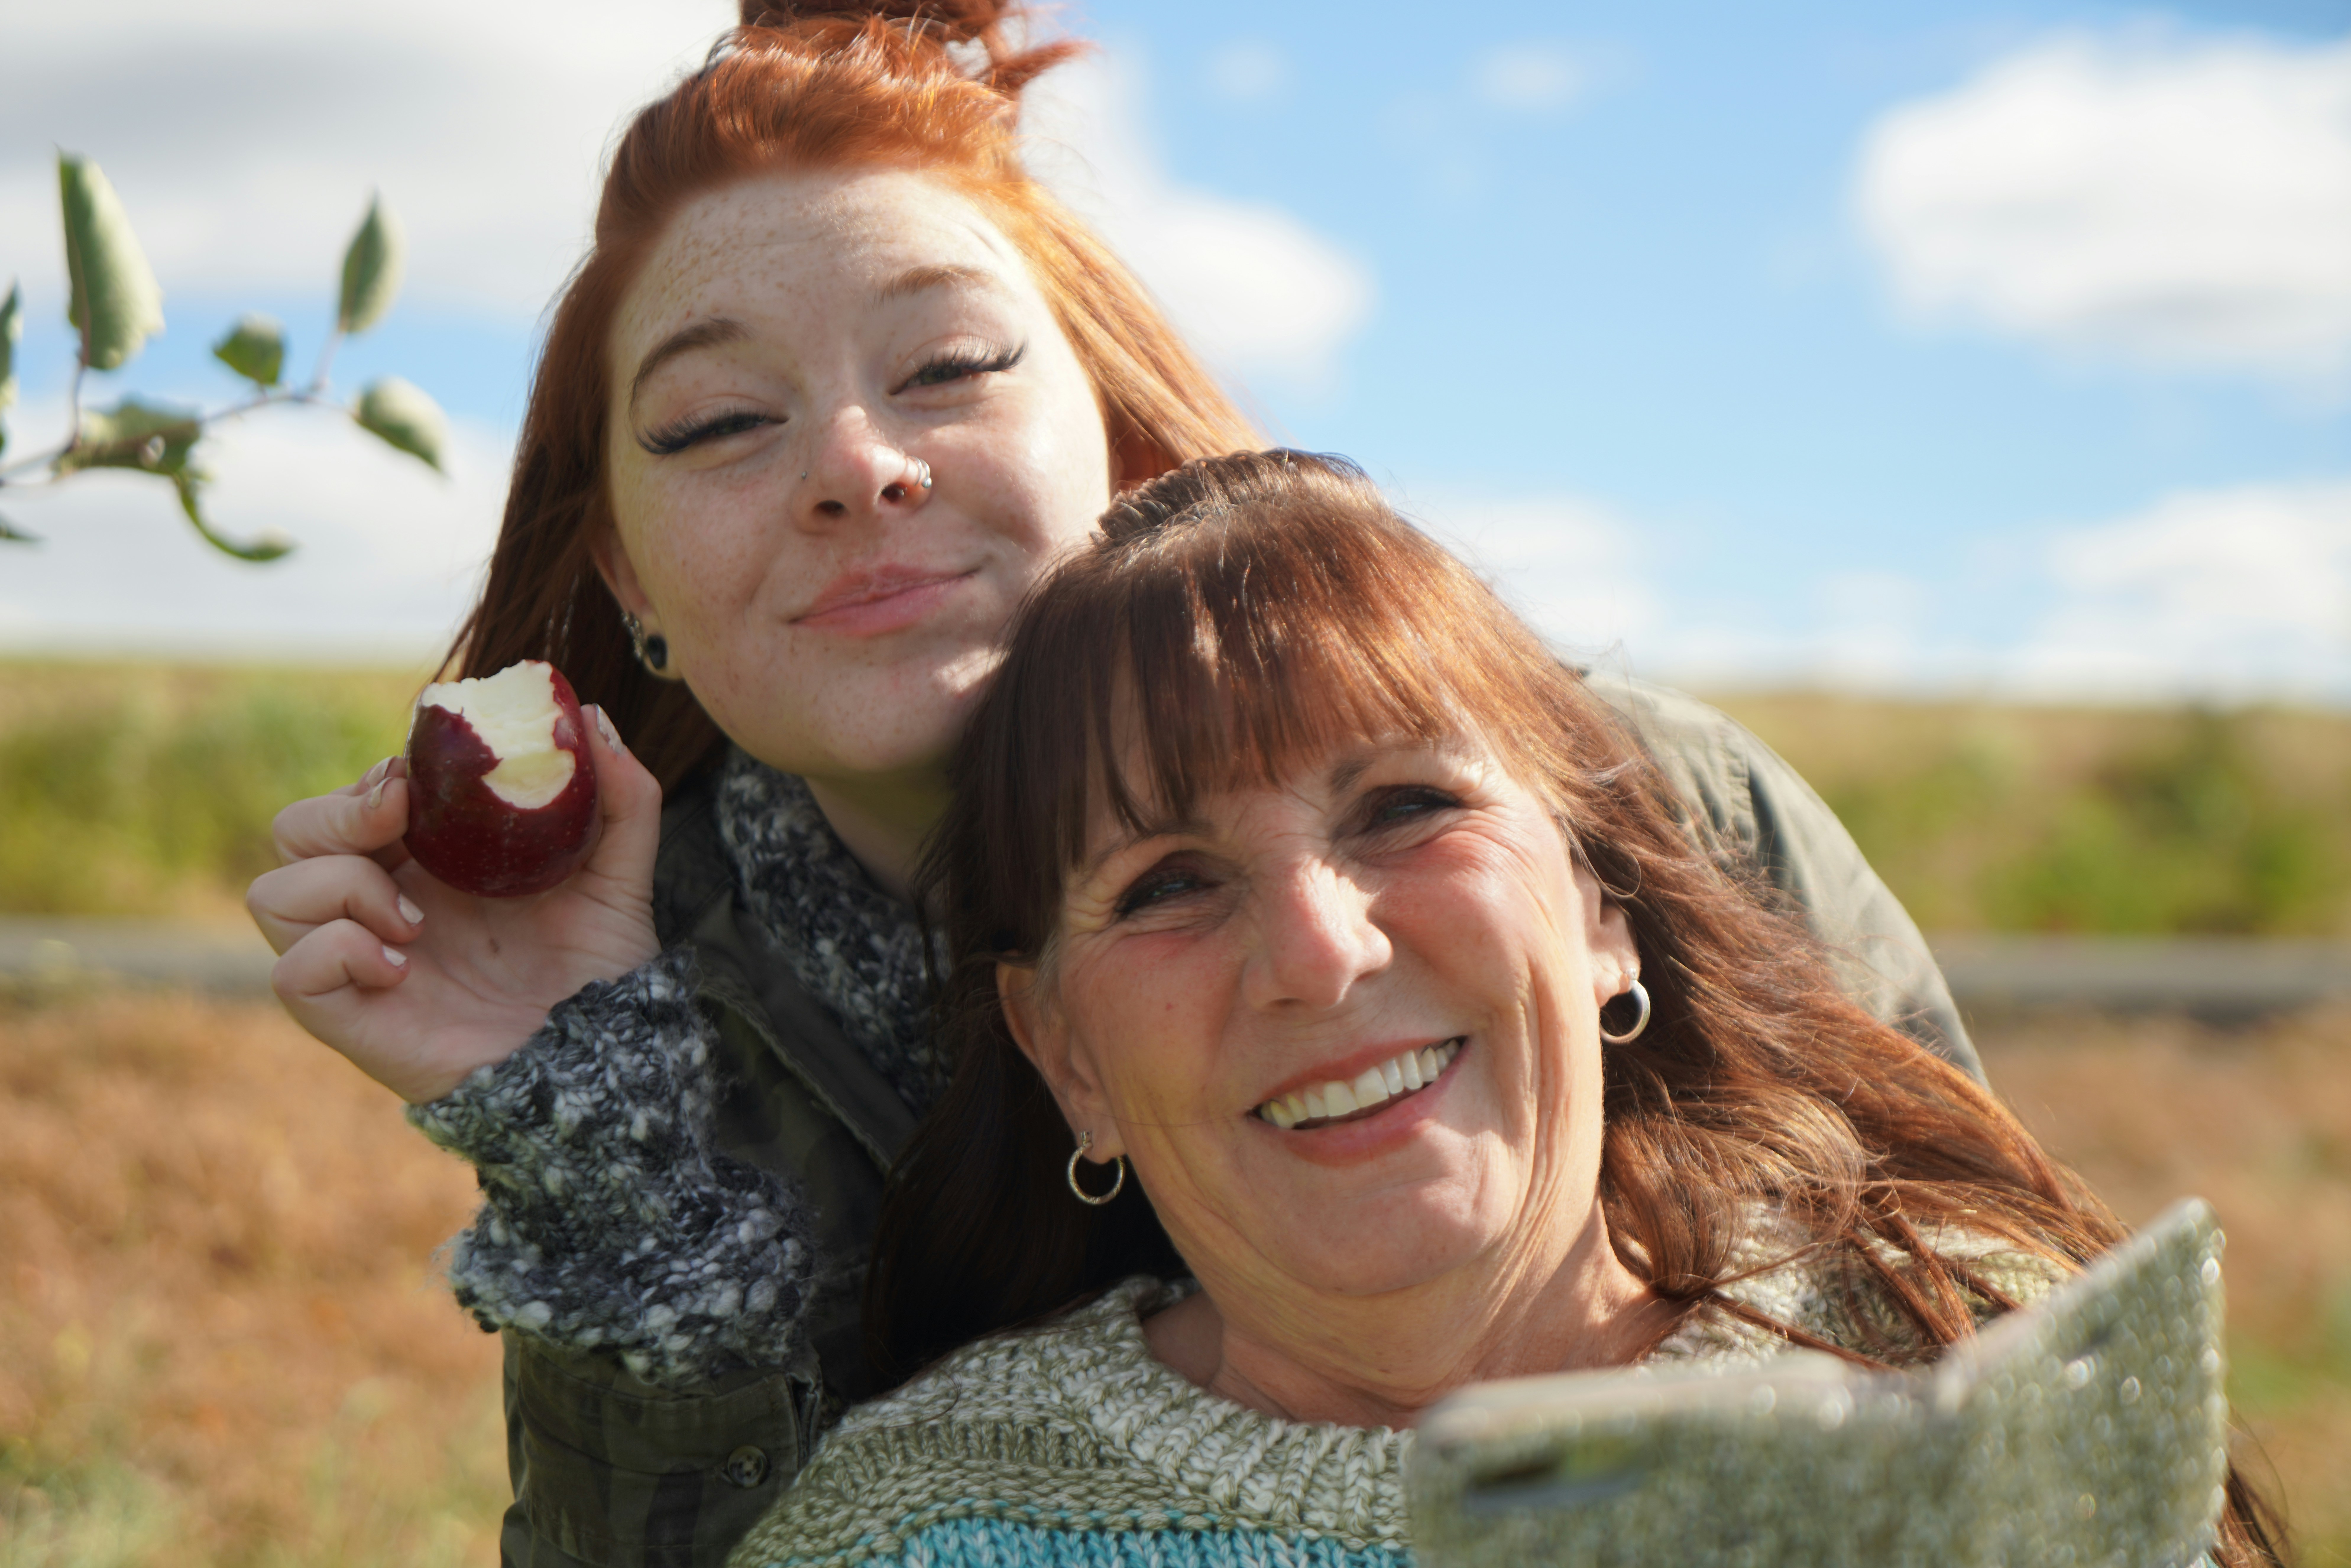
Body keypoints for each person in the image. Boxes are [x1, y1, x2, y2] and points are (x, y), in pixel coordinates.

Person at [246, 7, 1975, 1566]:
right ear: (631, 587)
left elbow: (2003, 1346)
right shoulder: (643, 1001)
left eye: (950, 368)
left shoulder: (1633, 797)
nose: (860, 465)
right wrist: (598, 1139)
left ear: (1127, 447)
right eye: (716, 426)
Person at [732, 450, 2281, 1568]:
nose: (1319, 950)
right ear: (1066, 1052)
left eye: (1403, 805)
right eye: (1166, 883)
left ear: (1602, 911)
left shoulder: (1969, 1337)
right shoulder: (909, 1537)